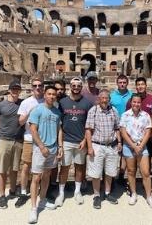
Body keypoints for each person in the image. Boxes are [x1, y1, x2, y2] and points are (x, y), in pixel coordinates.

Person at [27, 86, 64, 224]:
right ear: (45, 95)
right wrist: (41, 146)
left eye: (54, 94)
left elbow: (59, 129)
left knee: (47, 175)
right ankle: (33, 208)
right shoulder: (37, 110)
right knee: (36, 177)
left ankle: (42, 200)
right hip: (40, 149)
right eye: (49, 94)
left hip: (53, 148)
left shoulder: (56, 112)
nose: (52, 96)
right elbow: (33, 130)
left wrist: (60, 146)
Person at [56, 77, 93, 206]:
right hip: (66, 140)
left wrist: (85, 140)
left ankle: (77, 191)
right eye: (74, 85)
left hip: (80, 141)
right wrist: (60, 144)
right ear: (70, 87)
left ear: (81, 87)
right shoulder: (62, 103)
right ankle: (61, 193)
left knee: (79, 167)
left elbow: (89, 124)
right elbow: (59, 125)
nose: (76, 88)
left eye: (78, 86)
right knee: (65, 167)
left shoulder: (87, 103)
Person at [0, 81, 25, 209]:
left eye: (17, 89)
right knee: (2, 170)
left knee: (15, 169)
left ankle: (13, 190)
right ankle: (2, 196)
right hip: (4, 140)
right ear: (9, 90)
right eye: (13, 89)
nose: (15, 91)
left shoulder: (23, 104)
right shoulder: (0, 106)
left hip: (18, 141)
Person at [84, 89, 121, 209]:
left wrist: (119, 141)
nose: (104, 100)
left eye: (106, 98)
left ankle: (107, 193)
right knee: (96, 173)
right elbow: (88, 130)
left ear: (109, 99)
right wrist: (89, 147)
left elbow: (117, 128)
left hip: (111, 145)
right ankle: (96, 195)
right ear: (98, 99)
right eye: (102, 98)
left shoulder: (113, 110)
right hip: (97, 145)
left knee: (110, 172)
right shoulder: (93, 111)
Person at [119, 94, 152, 209]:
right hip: (129, 146)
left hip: (142, 146)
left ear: (141, 103)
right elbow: (123, 132)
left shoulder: (145, 115)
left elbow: (148, 131)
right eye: (134, 102)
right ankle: (134, 193)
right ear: (131, 102)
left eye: (138, 102)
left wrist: (141, 145)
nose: (136, 104)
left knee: (145, 172)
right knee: (131, 171)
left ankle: (149, 196)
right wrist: (133, 146)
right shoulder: (125, 115)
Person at [16, 78, 45, 207]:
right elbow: (21, 122)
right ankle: (23, 192)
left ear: (43, 87)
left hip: (44, 139)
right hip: (29, 139)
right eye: (35, 85)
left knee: (43, 167)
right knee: (26, 166)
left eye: (40, 85)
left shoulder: (47, 100)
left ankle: (41, 192)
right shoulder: (26, 102)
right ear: (31, 87)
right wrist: (30, 111)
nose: (38, 87)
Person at [108, 74, 133, 188]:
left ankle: (122, 176)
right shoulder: (112, 96)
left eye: (124, 82)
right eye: (120, 82)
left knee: (126, 153)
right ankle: (111, 177)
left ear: (127, 83)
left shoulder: (132, 95)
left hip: (129, 129)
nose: (122, 84)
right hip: (115, 128)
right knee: (113, 153)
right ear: (117, 83)